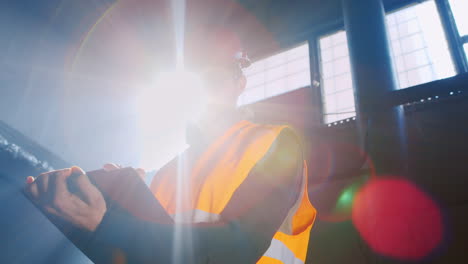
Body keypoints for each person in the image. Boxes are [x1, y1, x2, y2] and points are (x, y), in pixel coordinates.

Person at [24, 29, 316, 264]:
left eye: (216, 77)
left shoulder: (274, 142)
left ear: (240, 82)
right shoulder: (165, 174)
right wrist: (106, 212)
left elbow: (237, 249)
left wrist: (108, 224)